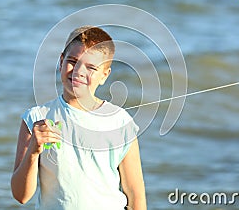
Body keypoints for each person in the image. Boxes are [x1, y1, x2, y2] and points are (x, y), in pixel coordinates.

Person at [11, 26, 147, 210]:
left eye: (91, 67)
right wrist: (33, 152)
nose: (78, 72)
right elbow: (21, 196)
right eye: (73, 61)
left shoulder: (121, 122)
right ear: (61, 61)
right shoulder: (36, 119)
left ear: (104, 75)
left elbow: (135, 196)